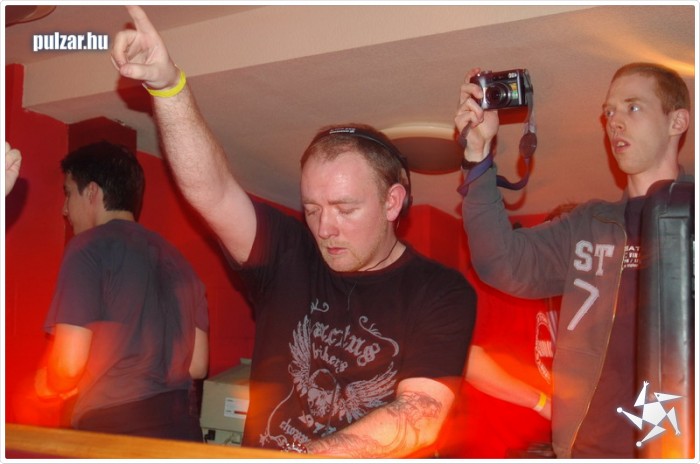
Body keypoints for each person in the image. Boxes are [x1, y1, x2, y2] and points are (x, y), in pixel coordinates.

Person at [111, 6, 476, 458]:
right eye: (312, 209)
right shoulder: (287, 252)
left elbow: (418, 416)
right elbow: (213, 192)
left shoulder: (439, 290)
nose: (324, 227)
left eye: (344, 208)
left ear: (392, 202)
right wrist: (168, 87)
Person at [455, 62, 690, 458]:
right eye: (609, 112)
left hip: (680, 446)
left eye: (632, 107)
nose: (614, 122)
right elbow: (501, 262)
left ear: (677, 121)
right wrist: (477, 155)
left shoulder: (693, 216)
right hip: (588, 448)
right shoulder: (589, 224)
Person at [34, 140, 209, 441]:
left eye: (68, 193)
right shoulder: (181, 262)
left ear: (92, 192)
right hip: (183, 433)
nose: (64, 209)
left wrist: (47, 383)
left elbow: (67, 366)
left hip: (116, 434)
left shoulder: (87, 248)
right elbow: (197, 365)